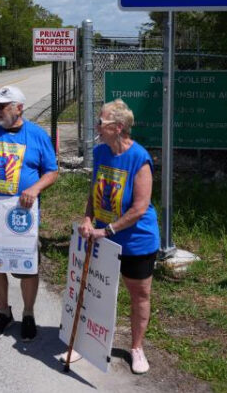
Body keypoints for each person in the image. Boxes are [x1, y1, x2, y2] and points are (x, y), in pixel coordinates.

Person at [0, 85, 58, 341]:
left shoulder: (37, 135)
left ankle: (28, 314)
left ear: (19, 107)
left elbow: (51, 171)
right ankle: (4, 313)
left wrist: (36, 188)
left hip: (22, 215)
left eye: (2, 106)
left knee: (27, 267)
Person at [78, 98, 160, 375]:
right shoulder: (101, 153)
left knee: (139, 294)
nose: (97, 126)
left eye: (101, 122)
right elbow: (94, 192)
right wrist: (88, 218)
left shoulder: (140, 158)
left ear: (119, 127)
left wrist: (107, 229)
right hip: (103, 237)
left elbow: (139, 208)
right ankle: (94, 342)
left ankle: (136, 348)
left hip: (136, 241)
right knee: (99, 292)